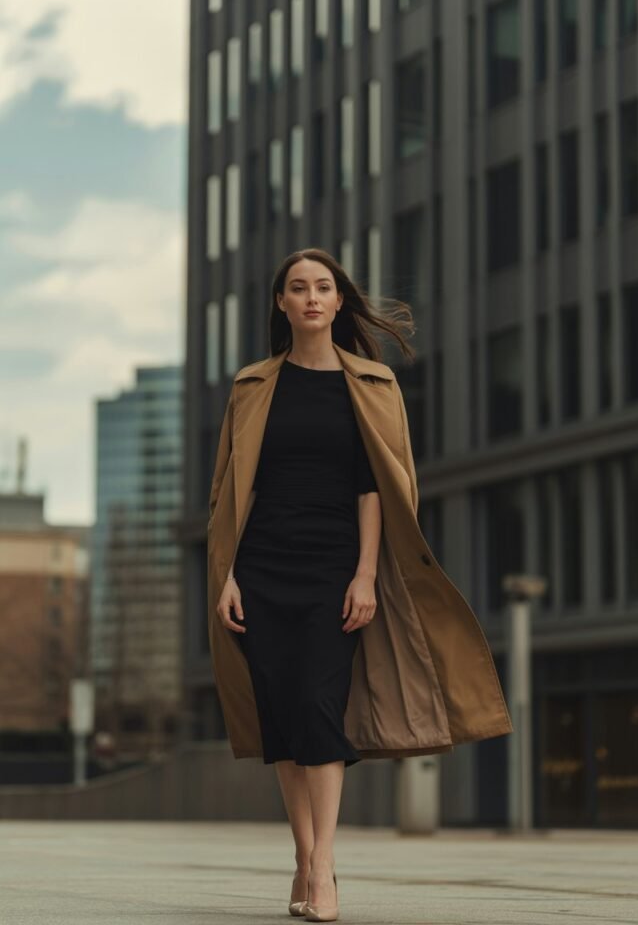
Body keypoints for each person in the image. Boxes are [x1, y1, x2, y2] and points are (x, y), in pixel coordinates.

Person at [214, 248, 417, 922]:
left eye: (322, 287)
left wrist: (365, 574)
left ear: (338, 301)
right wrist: (228, 575)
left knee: (319, 705)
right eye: (297, 287)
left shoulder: (372, 384)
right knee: (282, 716)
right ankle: (302, 859)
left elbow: (373, 488)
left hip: (335, 567)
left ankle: (324, 867)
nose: (310, 297)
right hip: (262, 566)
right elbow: (233, 492)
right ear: (281, 302)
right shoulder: (252, 386)